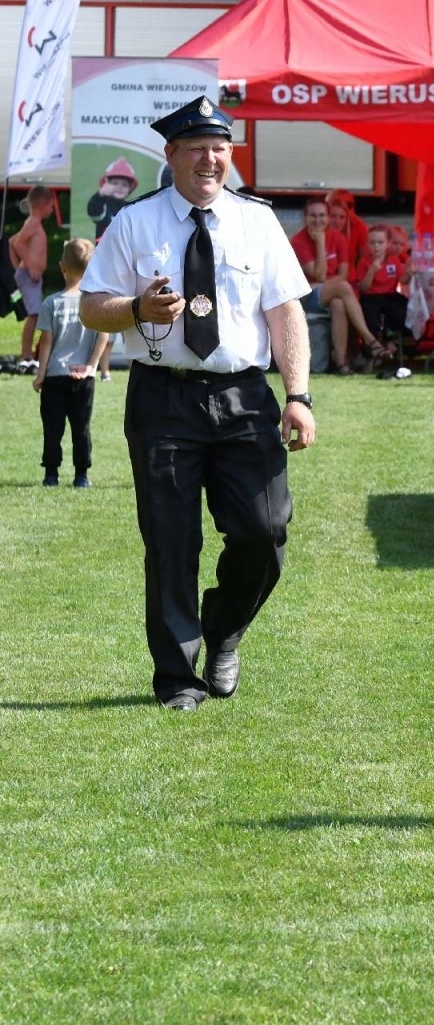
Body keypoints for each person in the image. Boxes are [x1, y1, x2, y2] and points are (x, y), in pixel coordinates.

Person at [79, 95, 316, 712]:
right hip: (163, 398)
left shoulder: (258, 221)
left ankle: (225, 630)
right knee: (170, 541)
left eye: (220, 149)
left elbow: (286, 313)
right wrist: (135, 310)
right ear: (172, 156)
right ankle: (178, 678)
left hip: (244, 397)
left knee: (265, 533)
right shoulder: (136, 222)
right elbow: (91, 304)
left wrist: (298, 395)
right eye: (196, 150)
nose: (210, 160)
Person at [33, 238, 110, 489]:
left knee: (53, 429)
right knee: (81, 428)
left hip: (55, 376)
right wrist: (91, 365)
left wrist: (40, 374)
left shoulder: (51, 303)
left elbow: (46, 342)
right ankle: (81, 476)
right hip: (83, 379)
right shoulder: (93, 302)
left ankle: (51, 475)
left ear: (61, 267)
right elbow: (104, 335)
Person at [290, 200, 390, 373]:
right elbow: (320, 274)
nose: (318, 220)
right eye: (313, 215)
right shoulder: (298, 241)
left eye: (322, 215)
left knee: (338, 303)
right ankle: (370, 340)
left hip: (329, 292)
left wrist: (325, 284)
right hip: (307, 296)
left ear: (327, 218)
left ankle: (342, 363)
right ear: (305, 217)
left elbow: (344, 273)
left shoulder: (338, 238)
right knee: (343, 288)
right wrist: (320, 242)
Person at [354, 226, 412, 359]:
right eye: (372, 243)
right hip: (371, 296)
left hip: (389, 295)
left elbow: (403, 281)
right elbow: (363, 288)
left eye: (380, 243)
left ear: (387, 244)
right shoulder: (364, 262)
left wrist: (409, 273)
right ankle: (371, 351)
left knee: (401, 307)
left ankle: (390, 339)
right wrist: (371, 271)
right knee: (370, 317)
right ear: (368, 244)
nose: (376, 247)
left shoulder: (393, 261)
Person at [11, 186, 53, 366]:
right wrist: (30, 267)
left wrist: (18, 268)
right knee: (34, 315)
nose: (52, 209)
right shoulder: (33, 222)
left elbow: (12, 241)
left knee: (35, 314)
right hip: (30, 275)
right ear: (43, 205)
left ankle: (27, 353)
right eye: (51, 205)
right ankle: (26, 355)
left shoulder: (33, 222)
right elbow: (18, 243)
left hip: (29, 275)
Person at [87, 157, 138, 239]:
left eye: (124, 185)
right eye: (115, 183)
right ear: (106, 185)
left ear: (130, 188)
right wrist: (100, 195)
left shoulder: (131, 208)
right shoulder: (104, 206)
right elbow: (94, 211)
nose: (120, 187)